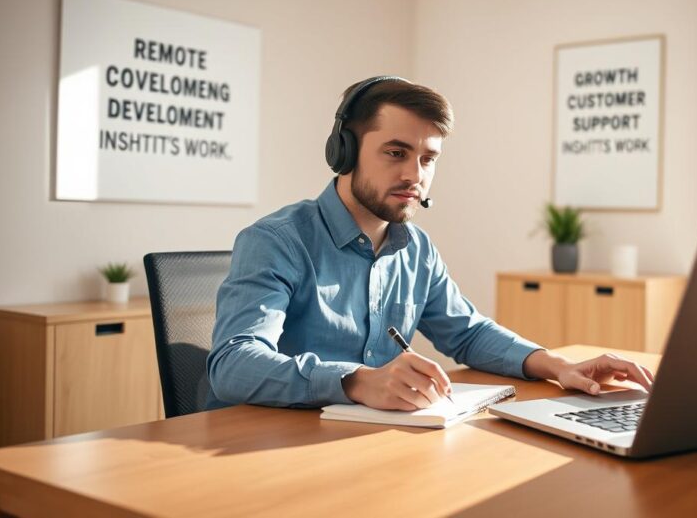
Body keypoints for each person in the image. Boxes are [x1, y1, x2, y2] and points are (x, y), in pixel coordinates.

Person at [206, 76, 655, 411]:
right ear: (343, 151)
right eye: (396, 153)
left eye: (428, 159)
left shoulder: (416, 249)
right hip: (267, 449)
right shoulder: (277, 241)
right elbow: (233, 365)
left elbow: (469, 333)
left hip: (366, 445)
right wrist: (357, 381)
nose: (414, 175)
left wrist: (557, 366)